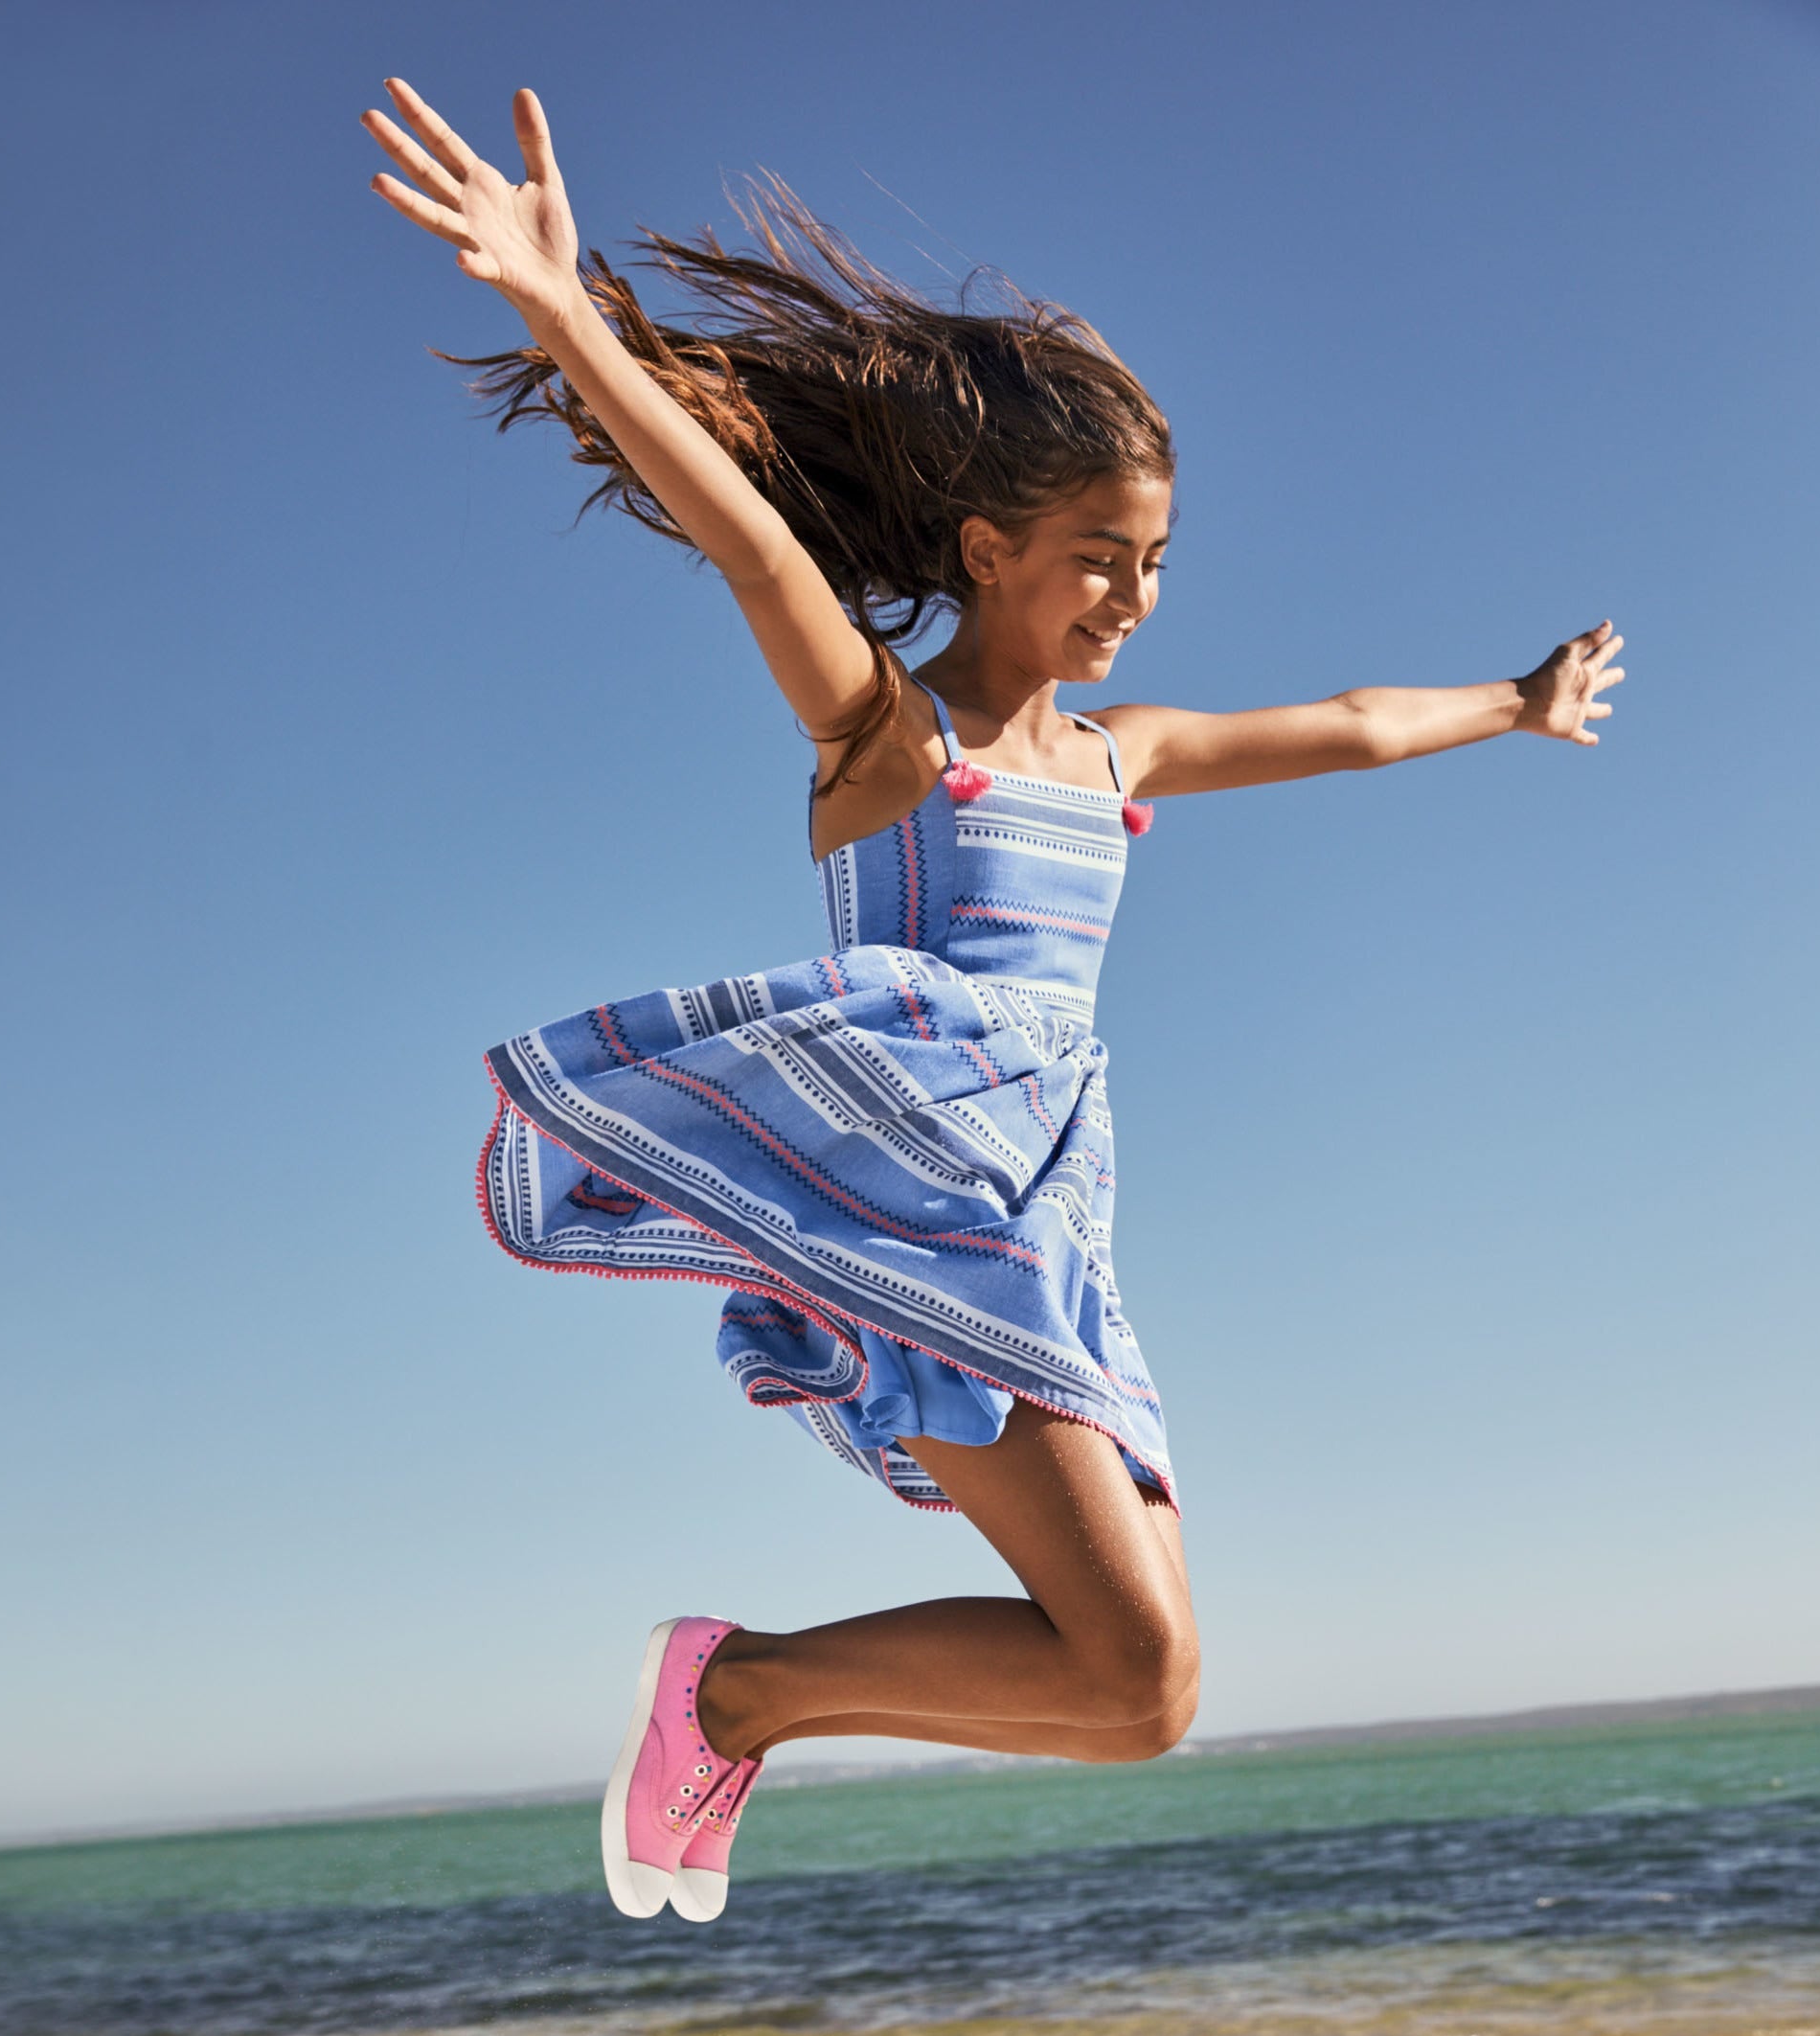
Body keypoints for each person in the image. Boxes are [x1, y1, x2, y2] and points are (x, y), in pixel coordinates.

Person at [364, 80, 1626, 1924]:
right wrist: (567, 316)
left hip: (1057, 1217)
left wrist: (1515, 703)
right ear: (985, 548)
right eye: (1099, 551)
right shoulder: (892, 736)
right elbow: (745, 538)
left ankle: (732, 1694)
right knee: (1126, 1671)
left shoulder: (1123, 758)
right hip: (927, 1204)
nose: (1133, 591)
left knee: (1145, 1690)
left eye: (1158, 558)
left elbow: (1352, 726)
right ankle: (725, 1692)